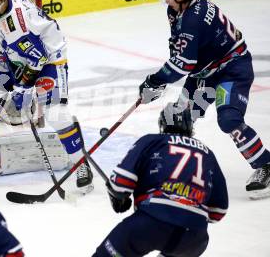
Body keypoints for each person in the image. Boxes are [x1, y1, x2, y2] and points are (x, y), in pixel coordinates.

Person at [138, 0, 270, 199]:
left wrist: (155, 81)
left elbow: (183, 63)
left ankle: (266, 165)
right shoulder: (177, 9)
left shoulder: (193, 18)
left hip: (231, 68)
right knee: (175, 120)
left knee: (229, 119)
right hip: (206, 73)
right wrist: (160, 82)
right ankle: (179, 170)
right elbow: (182, 53)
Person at [0, 0, 93, 191]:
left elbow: (37, 59)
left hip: (50, 58)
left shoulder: (17, 26)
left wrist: (22, 91)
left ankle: (81, 163)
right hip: (16, 51)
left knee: (56, 113)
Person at [93, 103, 228, 257]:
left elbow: (119, 184)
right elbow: (218, 211)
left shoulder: (152, 141)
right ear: (190, 126)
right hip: (194, 238)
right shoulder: (208, 154)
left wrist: (118, 197)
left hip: (151, 223)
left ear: (162, 124)